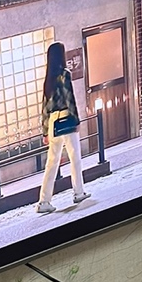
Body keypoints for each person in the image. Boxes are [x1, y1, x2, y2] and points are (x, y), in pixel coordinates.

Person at [37, 41, 90, 214]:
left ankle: (44, 201)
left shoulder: (48, 79)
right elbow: (70, 98)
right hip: (66, 117)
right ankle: (78, 192)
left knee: (52, 162)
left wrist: (45, 131)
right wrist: (76, 120)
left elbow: (44, 107)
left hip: (53, 121)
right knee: (75, 156)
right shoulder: (64, 74)